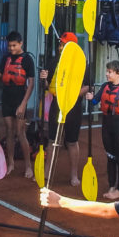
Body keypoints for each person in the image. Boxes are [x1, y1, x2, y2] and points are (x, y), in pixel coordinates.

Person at [39, 33, 89, 187]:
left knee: (72, 141)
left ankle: (74, 175)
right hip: (57, 105)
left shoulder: (81, 63)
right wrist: (44, 79)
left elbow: (87, 86)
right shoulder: (54, 61)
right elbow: (47, 86)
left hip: (73, 108)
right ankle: (47, 172)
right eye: (60, 44)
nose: (61, 47)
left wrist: (71, 97)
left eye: (64, 44)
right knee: (52, 140)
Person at [0, 31, 35, 178]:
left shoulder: (27, 59)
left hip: (19, 98)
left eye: (14, 45)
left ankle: (28, 166)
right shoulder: (6, 58)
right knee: (9, 131)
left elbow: (31, 83)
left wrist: (23, 104)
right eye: (9, 46)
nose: (11, 48)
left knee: (20, 133)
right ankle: (10, 163)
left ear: (21, 44)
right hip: (6, 98)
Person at [86, 60, 119, 200]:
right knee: (110, 157)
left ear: (118, 73)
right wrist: (90, 98)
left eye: (110, 72)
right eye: (107, 71)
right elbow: (95, 101)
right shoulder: (105, 86)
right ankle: (112, 185)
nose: (107, 74)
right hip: (107, 125)